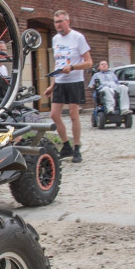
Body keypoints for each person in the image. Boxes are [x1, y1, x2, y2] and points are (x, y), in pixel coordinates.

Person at [44, 10, 93, 162]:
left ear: (68, 21)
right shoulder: (55, 39)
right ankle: (66, 145)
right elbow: (57, 63)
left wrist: (72, 68)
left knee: (73, 115)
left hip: (74, 81)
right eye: (56, 22)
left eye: (60, 21)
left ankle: (77, 148)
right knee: (54, 115)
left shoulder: (78, 37)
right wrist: (52, 85)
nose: (58, 24)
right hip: (60, 81)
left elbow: (89, 62)